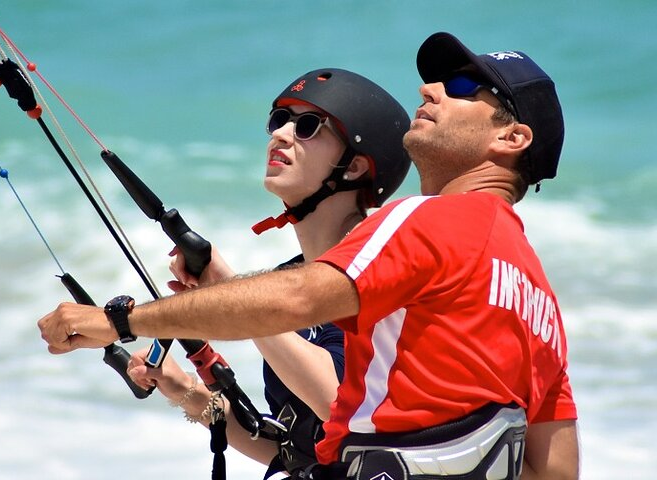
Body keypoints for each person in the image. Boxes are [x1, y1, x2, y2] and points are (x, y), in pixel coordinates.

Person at [38, 32, 580, 480]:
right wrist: (187, 391)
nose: (429, 89)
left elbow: (299, 300)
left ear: (511, 138)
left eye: (463, 87)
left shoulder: (430, 219)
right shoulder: (540, 301)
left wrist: (120, 320)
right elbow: (554, 472)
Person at [124, 68, 411, 479]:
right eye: (280, 120)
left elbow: (339, 406)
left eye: (308, 126)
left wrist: (238, 294)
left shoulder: (380, 273)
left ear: (353, 168)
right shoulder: (289, 277)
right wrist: (183, 389)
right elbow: (293, 448)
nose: (280, 135)